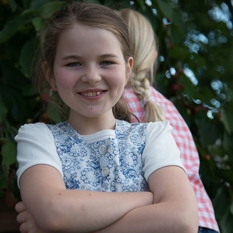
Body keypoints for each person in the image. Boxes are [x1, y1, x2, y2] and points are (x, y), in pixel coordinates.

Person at [14, 2, 199, 233]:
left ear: (127, 69)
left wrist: (71, 227)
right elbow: (55, 212)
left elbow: (182, 220)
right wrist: (147, 198)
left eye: (106, 62)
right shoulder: (37, 138)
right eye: (74, 63)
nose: (91, 76)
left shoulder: (153, 135)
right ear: (51, 75)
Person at [119, 8, 220, 233]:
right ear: (153, 57)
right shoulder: (167, 106)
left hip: (158, 220)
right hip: (203, 220)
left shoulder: (111, 101)